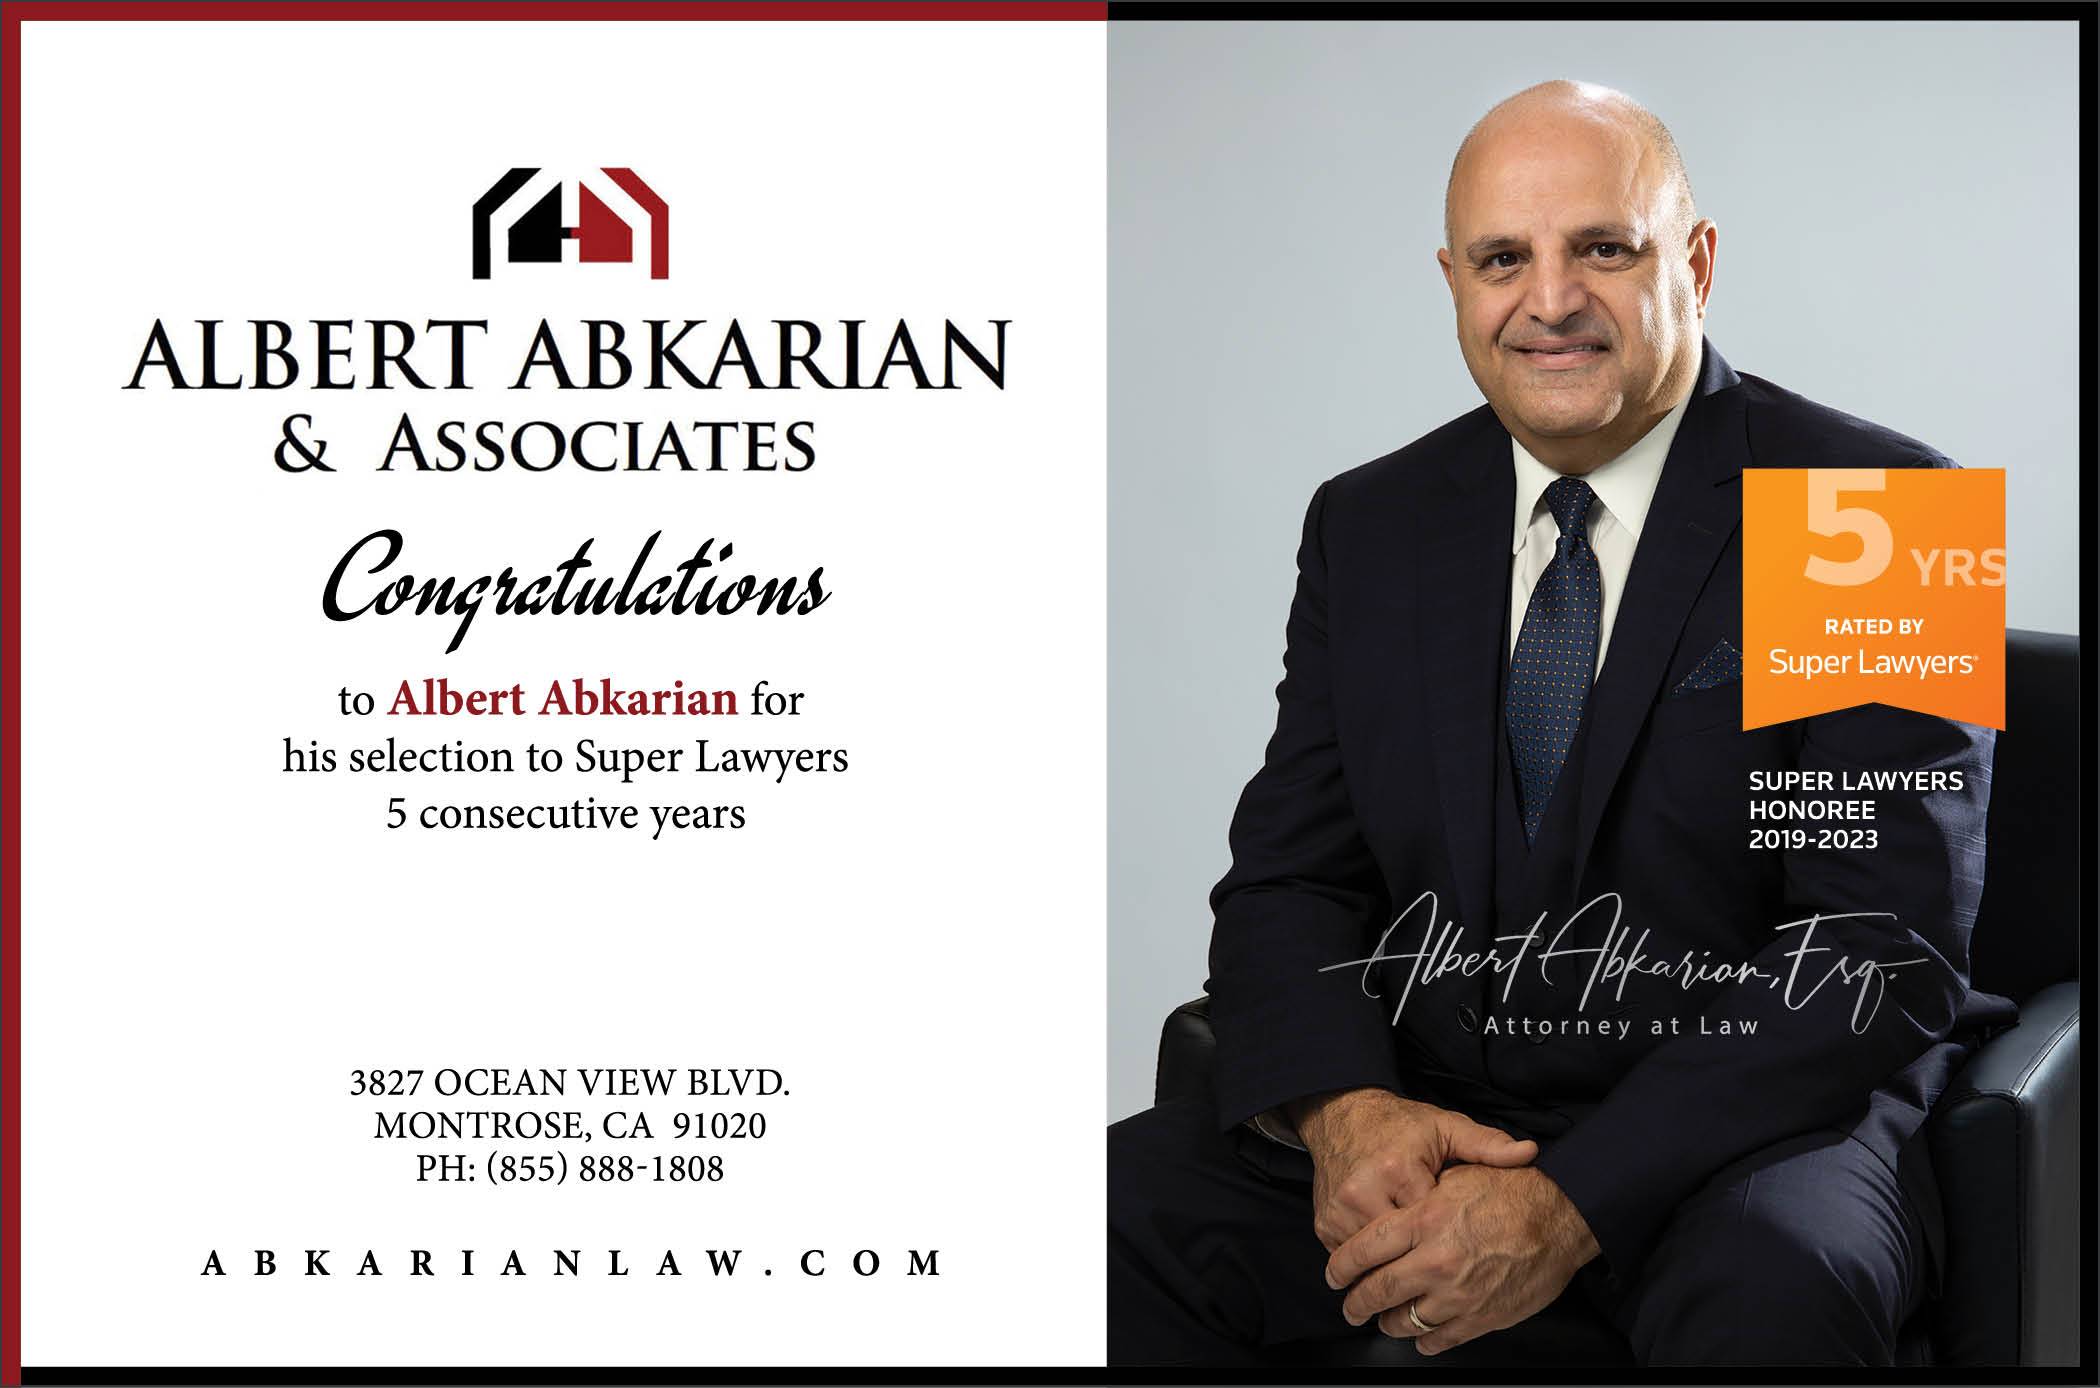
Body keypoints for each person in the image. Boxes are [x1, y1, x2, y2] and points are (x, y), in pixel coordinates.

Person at [1106, 79, 2014, 1367]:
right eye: (1501, 259)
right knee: (1084, 1224)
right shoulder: (1375, 525)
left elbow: (1874, 948)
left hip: (1745, 1136)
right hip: (1436, 1108)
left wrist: (1568, 1202)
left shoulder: (1871, 510)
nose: (1549, 300)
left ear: (1694, 260)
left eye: (1603, 247)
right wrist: (1350, 1114)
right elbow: (1294, 873)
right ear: (1453, 281)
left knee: (1780, 1291)